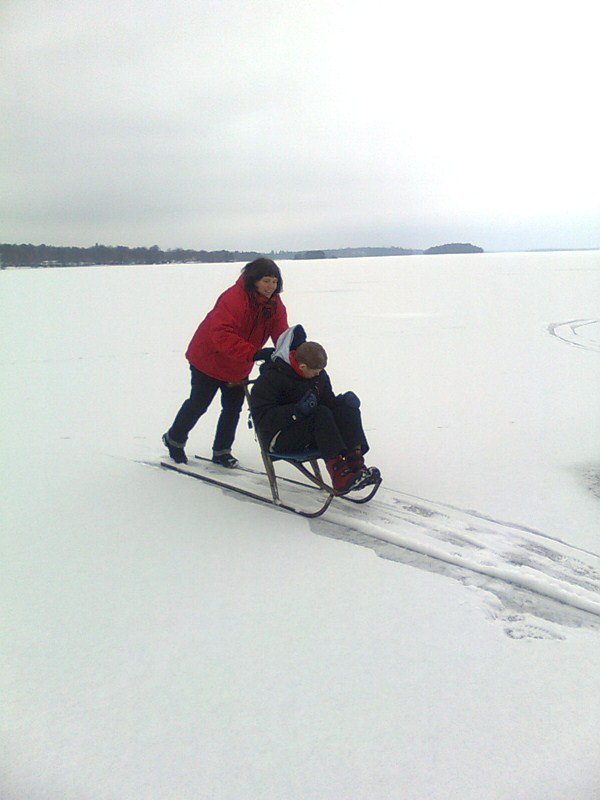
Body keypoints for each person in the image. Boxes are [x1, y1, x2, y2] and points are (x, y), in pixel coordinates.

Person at [163, 257, 289, 467]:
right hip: (208, 359)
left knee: (232, 408)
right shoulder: (233, 299)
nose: (271, 286)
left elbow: (281, 331)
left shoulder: (274, 304)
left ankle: (222, 450)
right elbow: (221, 334)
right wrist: (255, 353)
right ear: (254, 279)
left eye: (275, 281)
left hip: (238, 363)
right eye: (266, 281)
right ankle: (174, 439)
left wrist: (290, 351)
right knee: (199, 403)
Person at [249, 325, 379, 494]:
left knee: (346, 410)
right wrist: (295, 412)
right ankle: (339, 475)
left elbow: (327, 402)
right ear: (302, 366)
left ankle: (356, 464)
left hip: (312, 430)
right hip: (278, 438)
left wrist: (344, 402)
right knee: (320, 413)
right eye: (316, 371)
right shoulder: (272, 378)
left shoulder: (318, 376)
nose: (319, 374)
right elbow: (263, 420)